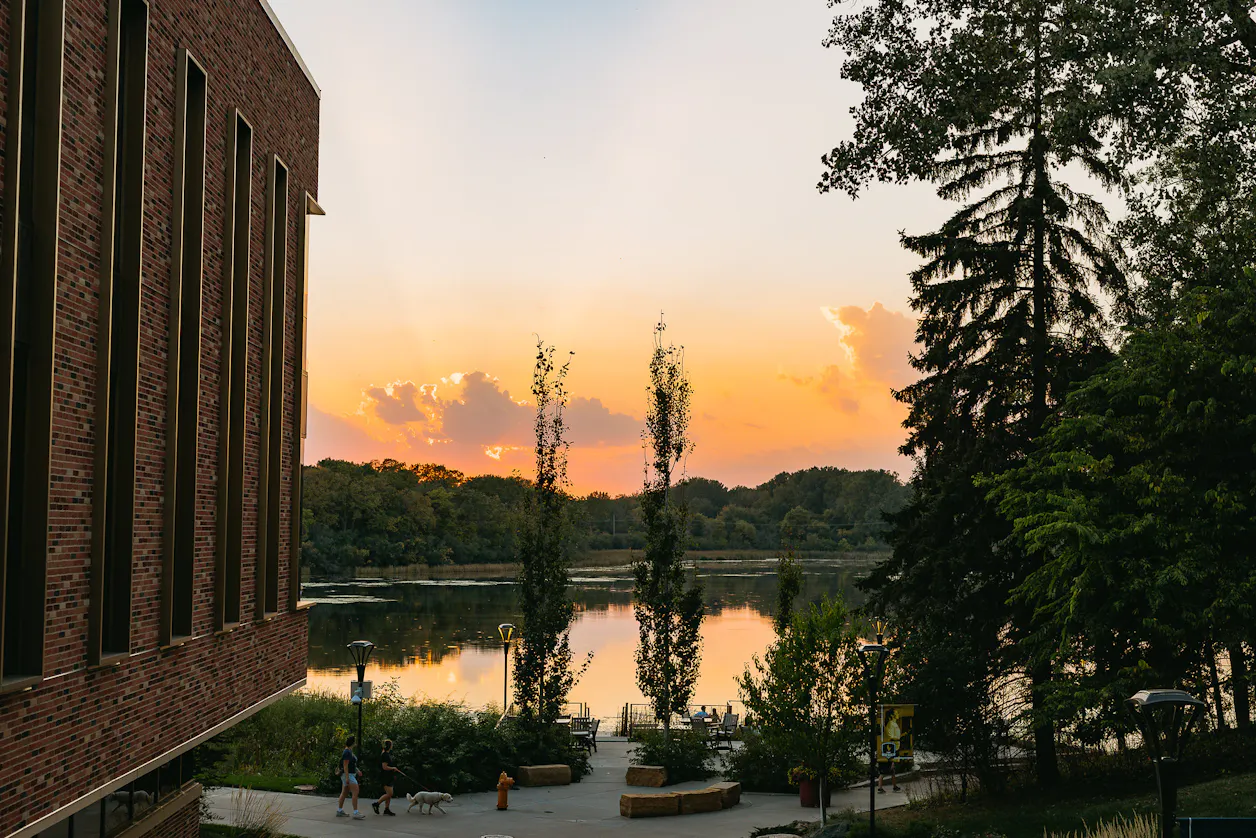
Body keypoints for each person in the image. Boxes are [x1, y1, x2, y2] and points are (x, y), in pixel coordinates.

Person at [336, 735, 366, 819]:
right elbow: (345, 765)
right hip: (348, 775)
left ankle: (339, 810)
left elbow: (352, 764)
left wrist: (357, 770)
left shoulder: (349, 751)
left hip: (350, 774)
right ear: (353, 743)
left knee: (344, 792)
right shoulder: (347, 752)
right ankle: (355, 812)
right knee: (355, 792)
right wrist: (347, 777)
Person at [373, 739, 400, 815]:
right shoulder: (385, 755)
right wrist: (393, 768)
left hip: (389, 776)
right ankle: (376, 804)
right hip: (385, 777)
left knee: (389, 793)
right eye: (391, 745)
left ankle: (386, 809)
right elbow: (384, 767)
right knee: (390, 794)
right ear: (389, 746)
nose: (392, 746)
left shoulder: (386, 754)